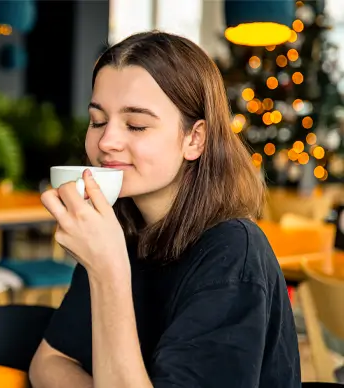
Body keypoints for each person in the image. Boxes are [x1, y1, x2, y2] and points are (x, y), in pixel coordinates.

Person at [29, 31, 301, 388]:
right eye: (97, 121)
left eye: (136, 125)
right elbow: (49, 361)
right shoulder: (122, 227)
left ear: (194, 139)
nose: (106, 141)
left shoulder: (232, 254)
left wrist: (109, 272)